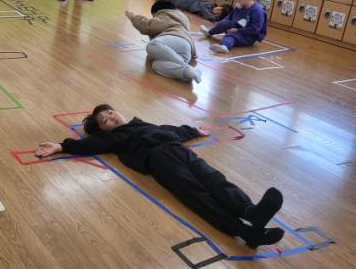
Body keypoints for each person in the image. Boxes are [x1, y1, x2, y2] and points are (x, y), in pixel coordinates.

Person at [35, 104, 285, 248]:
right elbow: (90, 145)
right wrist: (62, 146)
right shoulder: (114, 137)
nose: (111, 118)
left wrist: (191, 130)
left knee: (214, 179)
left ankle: (251, 212)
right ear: (103, 131)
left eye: (110, 113)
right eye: (105, 121)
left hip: (178, 149)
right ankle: (244, 231)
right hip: (158, 160)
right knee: (196, 194)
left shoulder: (140, 123)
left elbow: (167, 129)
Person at [125, 0, 202, 83]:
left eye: (154, 16)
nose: (154, 18)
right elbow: (187, 35)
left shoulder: (166, 15)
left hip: (175, 40)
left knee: (152, 45)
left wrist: (133, 17)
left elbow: (147, 26)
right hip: (185, 51)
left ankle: (187, 67)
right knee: (156, 65)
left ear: (157, 12)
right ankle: (189, 73)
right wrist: (194, 52)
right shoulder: (181, 17)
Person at [199, 0, 268, 54]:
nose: (236, 2)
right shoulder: (241, 6)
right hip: (238, 27)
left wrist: (237, 30)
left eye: (236, 0)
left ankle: (224, 46)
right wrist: (222, 24)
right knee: (225, 23)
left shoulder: (257, 11)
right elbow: (229, 17)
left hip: (249, 35)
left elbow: (254, 29)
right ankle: (209, 33)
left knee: (232, 35)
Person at [156, 0, 232, 22]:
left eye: (218, 13)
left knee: (178, 0)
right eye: (218, 9)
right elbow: (204, 10)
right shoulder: (210, 5)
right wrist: (213, 18)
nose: (216, 11)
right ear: (219, 6)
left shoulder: (212, 10)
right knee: (175, 2)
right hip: (191, 3)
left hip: (191, 2)